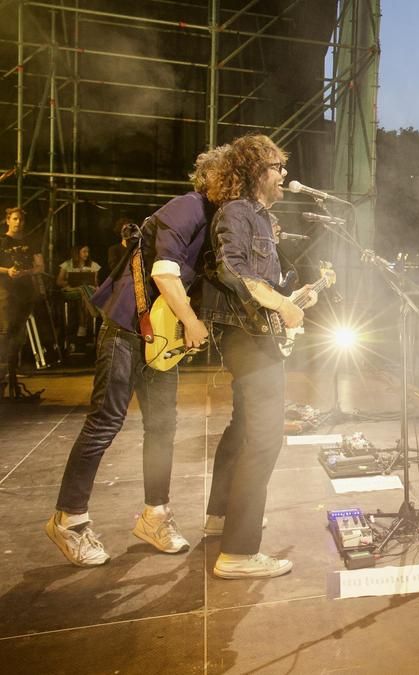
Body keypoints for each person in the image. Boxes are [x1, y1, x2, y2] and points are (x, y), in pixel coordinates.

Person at [43, 146, 226, 567]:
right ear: (213, 179)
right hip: (127, 328)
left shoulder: (214, 221)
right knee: (105, 421)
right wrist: (193, 324)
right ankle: (68, 519)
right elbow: (163, 272)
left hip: (159, 337)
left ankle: (154, 515)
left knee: (162, 428)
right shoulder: (188, 206)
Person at [198, 134, 305, 579]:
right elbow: (232, 268)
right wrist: (283, 306)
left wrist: (292, 299)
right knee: (265, 438)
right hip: (248, 340)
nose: (284, 175)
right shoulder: (238, 212)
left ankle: (222, 517)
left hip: (255, 334)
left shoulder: (259, 217)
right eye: (277, 167)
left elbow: (263, 285)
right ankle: (240, 553)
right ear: (257, 171)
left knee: (243, 430)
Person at [0, 206, 44, 398]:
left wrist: (26, 272)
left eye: (21, 220)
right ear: (7, 220)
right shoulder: (2, 241)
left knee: (18, 335)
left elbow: (40, 266)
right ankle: (3, 379)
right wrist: (7, 271)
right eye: (14, 219)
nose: (18, 223)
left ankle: (13, 380)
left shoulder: (30, 242)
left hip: (25, 293)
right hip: (6, 292)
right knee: (5, 332)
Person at [56, 243, 101, 351]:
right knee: (82, 289)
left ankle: (82, 327)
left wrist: (95, 286)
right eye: (84, 251)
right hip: (71, 290)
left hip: (86, 291)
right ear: (77, 253)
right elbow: (59, 281)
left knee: (84, 290)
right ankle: (93, 314)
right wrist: (68, 283)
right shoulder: (67, 265)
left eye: (88, 252)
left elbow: (95, 282)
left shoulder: (93, 265)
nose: (87, 254)